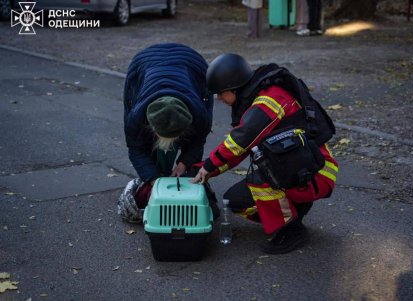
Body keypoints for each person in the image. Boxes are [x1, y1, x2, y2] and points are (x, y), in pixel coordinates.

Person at [192, 53, 338, 254]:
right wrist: (207, 170)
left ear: (234, 87)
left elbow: (239, 141)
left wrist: (209, 166)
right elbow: (242, 148)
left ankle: (291, 230)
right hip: (302, 167)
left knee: (260, 179)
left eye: (221, 92)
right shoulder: (256, 97)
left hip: (316, 172)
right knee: (235, 200)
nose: (219, 98)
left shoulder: (268, 100)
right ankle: (292, 211)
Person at [118, 43, 217, 223]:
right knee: (151, 163)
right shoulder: (136, 118)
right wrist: (153, 178)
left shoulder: (200, 116)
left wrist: (184, 164)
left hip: (193, 64)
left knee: (188, 169)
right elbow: (135, 149)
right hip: (142, 63)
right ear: (150, 125)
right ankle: (156, 174)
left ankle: (181, 174)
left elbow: (197, 141)